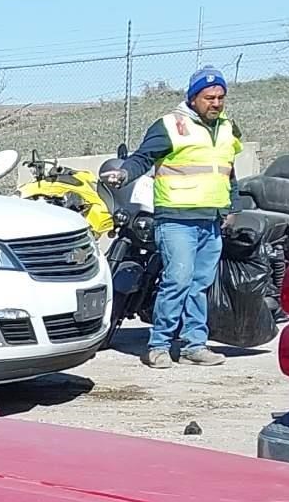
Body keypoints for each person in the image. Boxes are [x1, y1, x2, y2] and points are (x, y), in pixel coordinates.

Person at [104, 66, 243, 368]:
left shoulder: (228, 128)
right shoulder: (170, 125)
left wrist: (232, 206)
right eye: (209, 98)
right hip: (177, 219)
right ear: (193, 98)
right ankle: (159, 345)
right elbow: (143, 157)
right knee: (177, 281)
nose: (216, 103)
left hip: (211, 220)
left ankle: (195, 344)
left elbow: (228, 171)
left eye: (221, 97)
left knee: (200, 285)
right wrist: (125, 173)